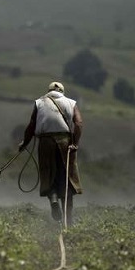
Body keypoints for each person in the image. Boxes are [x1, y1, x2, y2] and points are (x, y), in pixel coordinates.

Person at [18, 82, 82, 226]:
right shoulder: (71, 103)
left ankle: (53, 200)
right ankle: (69, 220)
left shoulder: (39, 102)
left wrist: (24, 144)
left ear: (49, 91)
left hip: (45, 143)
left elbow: (31, 125)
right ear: (62, 92)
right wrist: (75, 143)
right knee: (67, 179)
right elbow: (78, 123)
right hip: (65, 142)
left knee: (48, 174)